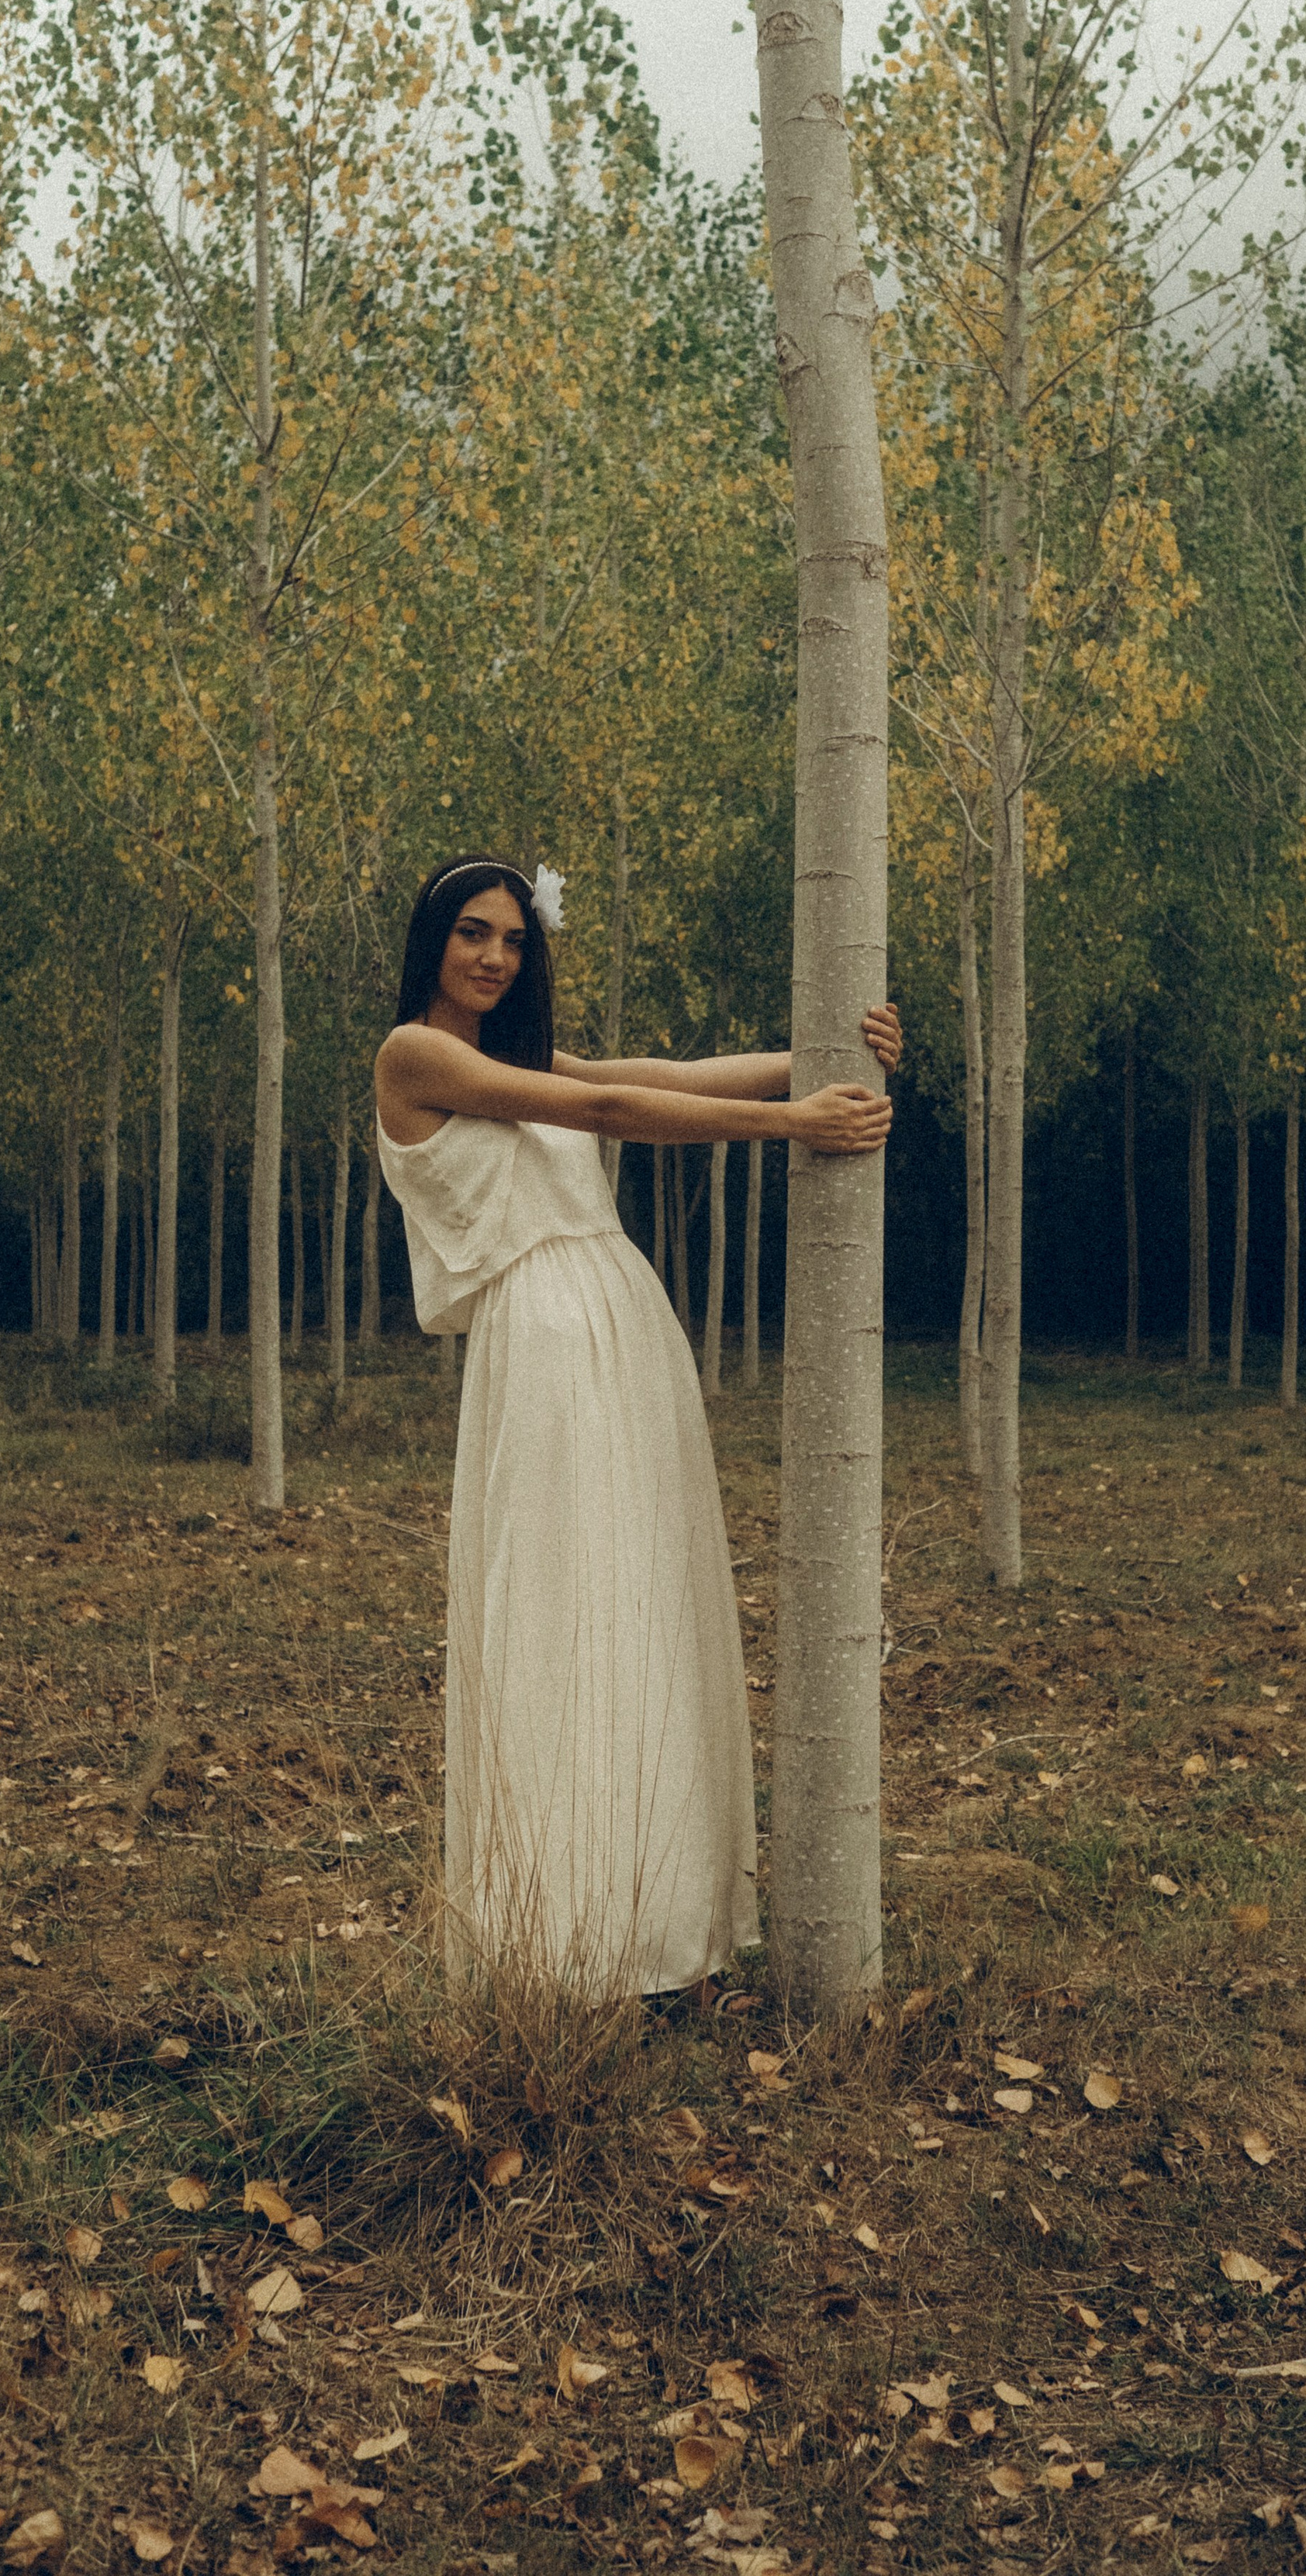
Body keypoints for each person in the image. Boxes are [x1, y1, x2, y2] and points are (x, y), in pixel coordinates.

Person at [375, 854, 900, 2000]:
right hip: (543, 1347)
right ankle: (552, 1939)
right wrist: (795, 1124)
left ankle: (649, 1924)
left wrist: (829, 1060)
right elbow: (611, 1111)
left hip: (624, 1329)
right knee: (556, 1618)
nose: (495, 957)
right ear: (432, 942)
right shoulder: (414, 1057)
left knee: (637, 1610)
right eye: (473, 933)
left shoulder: (506, 1056)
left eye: (513, 940)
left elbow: (655, 1071)